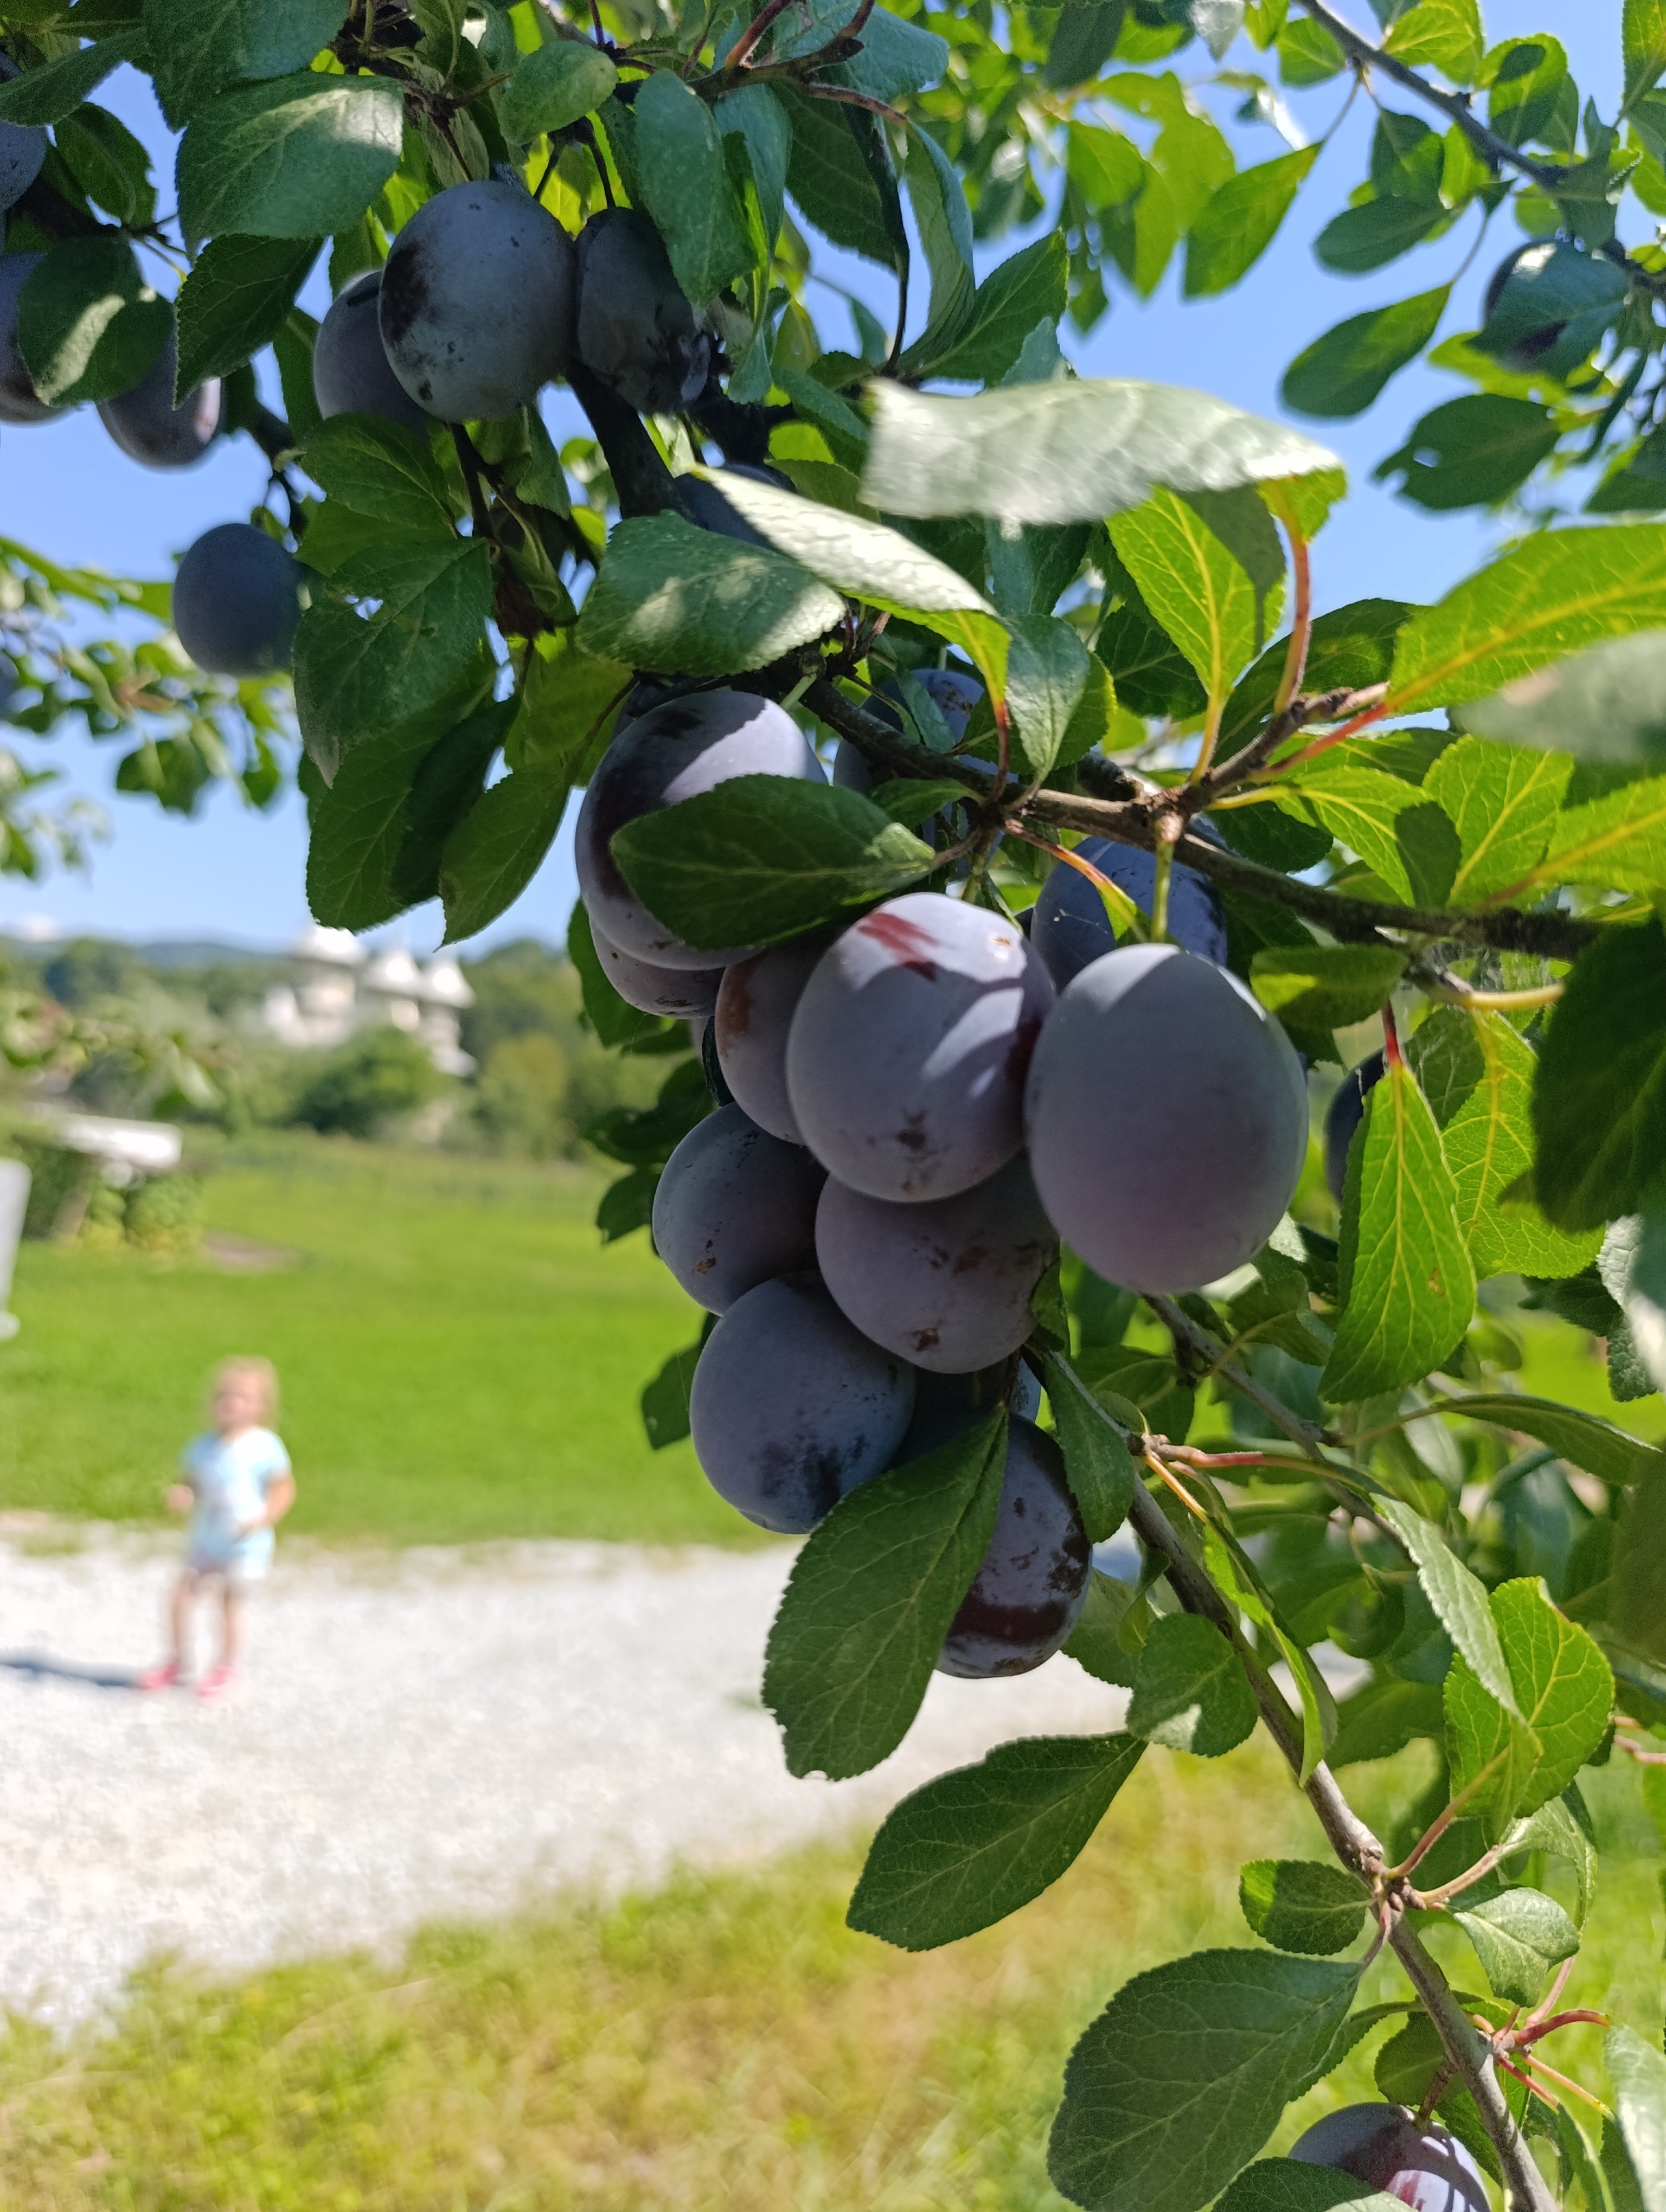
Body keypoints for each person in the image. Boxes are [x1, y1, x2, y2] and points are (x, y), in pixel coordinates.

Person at [137, 1356, 294, 1700]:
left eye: (243, 1398)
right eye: (225, 1396)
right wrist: (183, 1493)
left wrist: (264, 1518)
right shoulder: (202, 1446)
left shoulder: (264, 1445)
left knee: (228, 1602)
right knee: (180, 1594)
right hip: (207, 1538)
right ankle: (177, 1660)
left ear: (260, 1406)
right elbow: (193, 1481)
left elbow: (284, 1488)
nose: (232, 1404)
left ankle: (225, 1666)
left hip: (244, 1542)